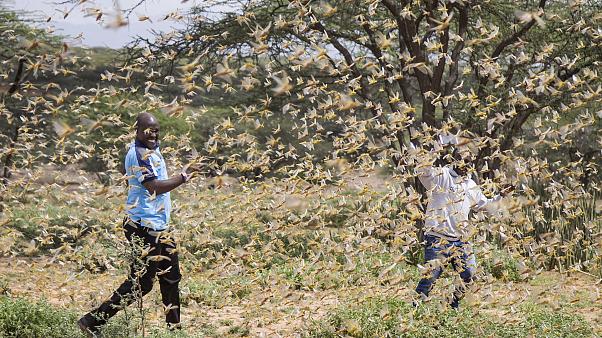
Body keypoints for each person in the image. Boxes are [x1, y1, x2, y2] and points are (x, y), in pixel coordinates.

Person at [78, 112, 200, 336]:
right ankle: (91, 321)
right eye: (148, 130)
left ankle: (174, 330)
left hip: (159, 226)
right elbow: (153, 187)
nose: (153, 134)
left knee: (171, 277)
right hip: (143, 226)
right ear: (137, 130)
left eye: (156, 130)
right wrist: (182, 177)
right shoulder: (139, 154)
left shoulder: (153, 150)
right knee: (142, 283)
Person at [410, 133, 512, 309]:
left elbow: (484, 205)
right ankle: (415, 311)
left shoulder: (470, 185)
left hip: (460, 240)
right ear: (453, 159)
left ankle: (452, 305)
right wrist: (438, 144)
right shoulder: (441, 176)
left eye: (468, 162)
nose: (465, 165)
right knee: (431, 277)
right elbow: (423, 169)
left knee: (469, 275)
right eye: (462, 160)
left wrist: (501, 196)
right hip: (437, 238)